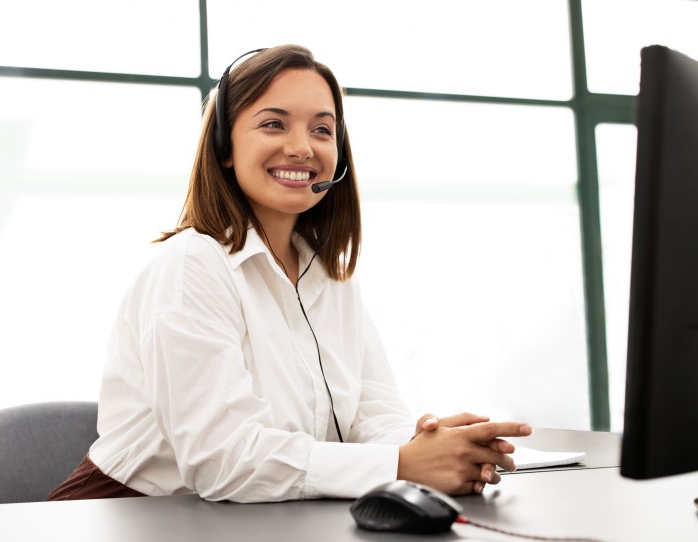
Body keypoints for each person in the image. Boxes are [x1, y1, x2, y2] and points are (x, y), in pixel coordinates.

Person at [47, 44, 531, 503]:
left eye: (322, 130)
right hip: (127, 518)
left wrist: (438, 449)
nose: (302, 148)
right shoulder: (191, 267)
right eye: (274, 124)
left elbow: (373, 414)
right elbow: (223, 461)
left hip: (260, 517)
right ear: (225, 147)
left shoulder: (331, 278)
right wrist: (401, 465)